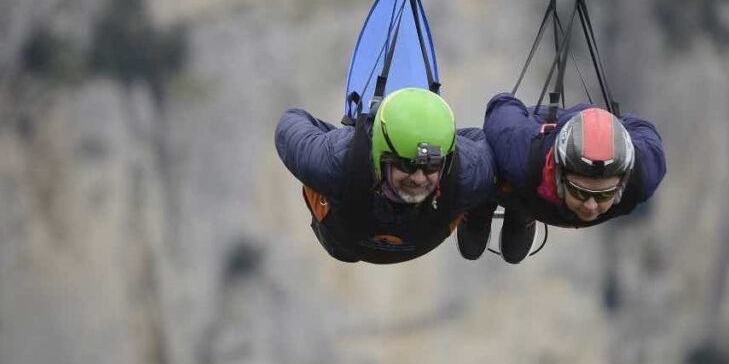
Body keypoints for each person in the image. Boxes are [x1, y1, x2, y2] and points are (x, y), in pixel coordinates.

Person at [275, 87, 497, 264]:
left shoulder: (468, 176)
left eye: (431, 165)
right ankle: (478, 206)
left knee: (482, 179)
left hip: (348, 235)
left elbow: (291, 121)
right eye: (406, 165)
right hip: (344, 239)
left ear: (445, 162)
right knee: (344, 253)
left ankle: (478, 206)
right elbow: (290, 123)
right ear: (380, 158)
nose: (419, 178)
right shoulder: (335, 164)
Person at [457, 92, 666, 264]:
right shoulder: (521, 154)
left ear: (621, 185)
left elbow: (644, 129)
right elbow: (501, 105)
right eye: (580, 191)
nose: (591, 206)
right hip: (528, 137)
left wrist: (612, 125)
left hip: (540, 172)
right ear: (558, 175)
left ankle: (522, 208)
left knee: (513, 246)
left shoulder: (641, 177)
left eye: (604, 194)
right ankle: (483, 199)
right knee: (485, 162)